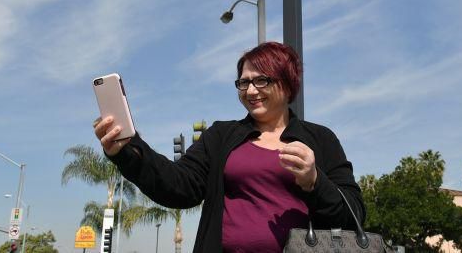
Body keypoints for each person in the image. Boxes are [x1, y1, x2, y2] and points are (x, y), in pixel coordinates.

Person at [94, 41, 365, 252]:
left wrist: (314, 182)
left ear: (287, 83)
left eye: (262, 80)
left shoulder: (320, 139)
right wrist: (129, 151)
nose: (250, 91)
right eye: (243, 82)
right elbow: (179, 187)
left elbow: (353, 215)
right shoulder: (221, 136)